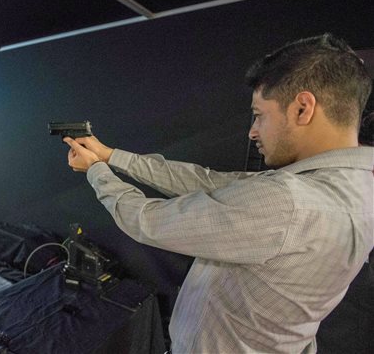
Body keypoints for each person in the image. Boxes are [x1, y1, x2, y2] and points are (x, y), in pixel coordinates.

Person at [63, 33, 373, 353]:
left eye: (259, 114)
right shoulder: (357, 187)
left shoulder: (289, 201)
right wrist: (111, 155)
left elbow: (146, 220)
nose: (253, 130)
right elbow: (208, 181)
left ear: (302, 109)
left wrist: (95, 171)